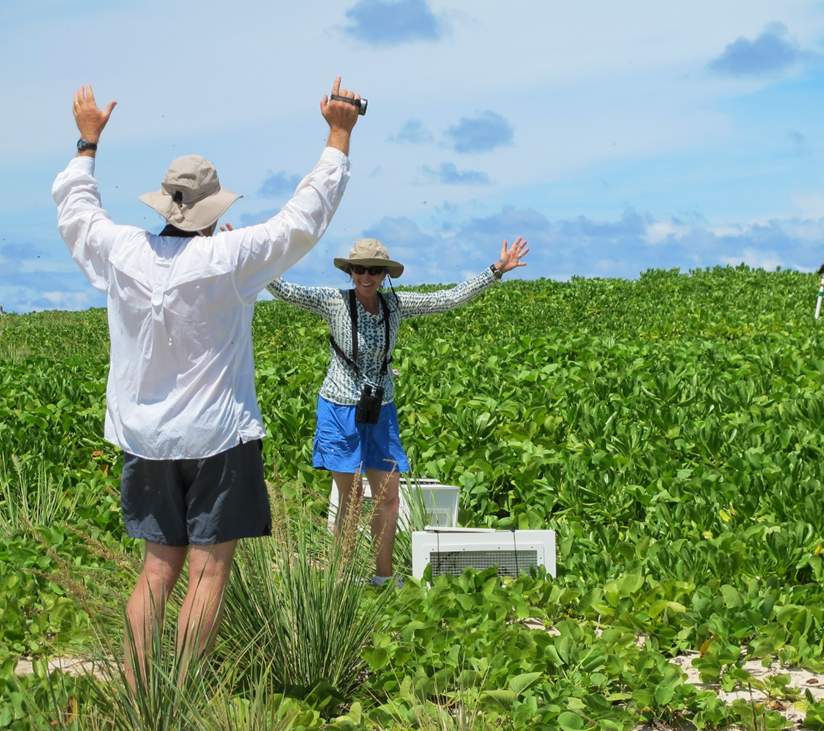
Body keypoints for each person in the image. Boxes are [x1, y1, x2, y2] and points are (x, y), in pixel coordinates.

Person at [52, 78, 362, 687]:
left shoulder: (123, 252)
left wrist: (87, 143)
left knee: (155, 571)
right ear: (212, 210)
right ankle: (186, 691)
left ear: (165, 207)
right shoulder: (228, 259)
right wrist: (338, 134)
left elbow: (76, 211)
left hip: (144, 439)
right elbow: (304, 218)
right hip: (219, 437)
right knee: (207, 573)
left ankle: (142, 690)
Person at [266, 236, 529, 586]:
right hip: (340, 407)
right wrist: (251, 260)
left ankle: (383, 577)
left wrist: (496, 270)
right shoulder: (333, 302)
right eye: (359, 269)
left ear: (385, 274)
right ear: (350, 271)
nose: (366, 276)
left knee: (389, 497)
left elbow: (446, 299)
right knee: (352, 496)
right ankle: (340, 579)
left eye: (374, 270)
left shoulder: (396, 305)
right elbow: (286, 292)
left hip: (381, 410)